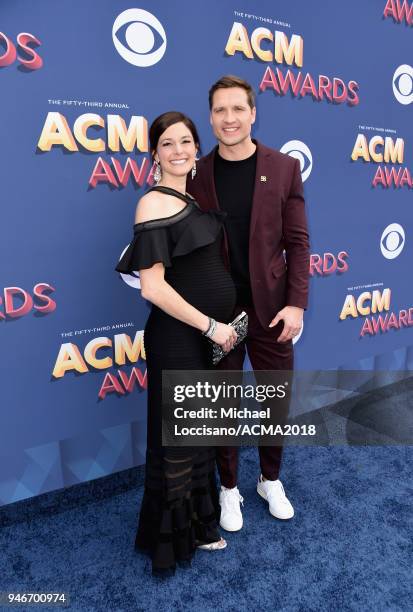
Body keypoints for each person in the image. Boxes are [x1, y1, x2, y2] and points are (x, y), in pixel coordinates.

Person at [116, 111, 238, 576]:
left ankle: (200, 526)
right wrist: (211, 326)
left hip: (205, 337)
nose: (179, 150)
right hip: (178, 339)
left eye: (186, 141)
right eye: (168, 143)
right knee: (177, 442)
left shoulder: (189, 197)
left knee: (197, 433)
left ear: (196, 150)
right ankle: (170, 544)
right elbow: (152, 288)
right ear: (154, 155)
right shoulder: (151, 204)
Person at [188, 75, 310, 532]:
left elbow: (298, 242)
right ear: (211, 116)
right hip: (220, 315)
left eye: (238, 108)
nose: (229, 118)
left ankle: (270, 480)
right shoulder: (197, 173)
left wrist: (296, 304)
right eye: (220, 110)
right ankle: (229, 489)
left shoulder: (283, 167)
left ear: (253, 113)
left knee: (274, 399)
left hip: (273, 312)